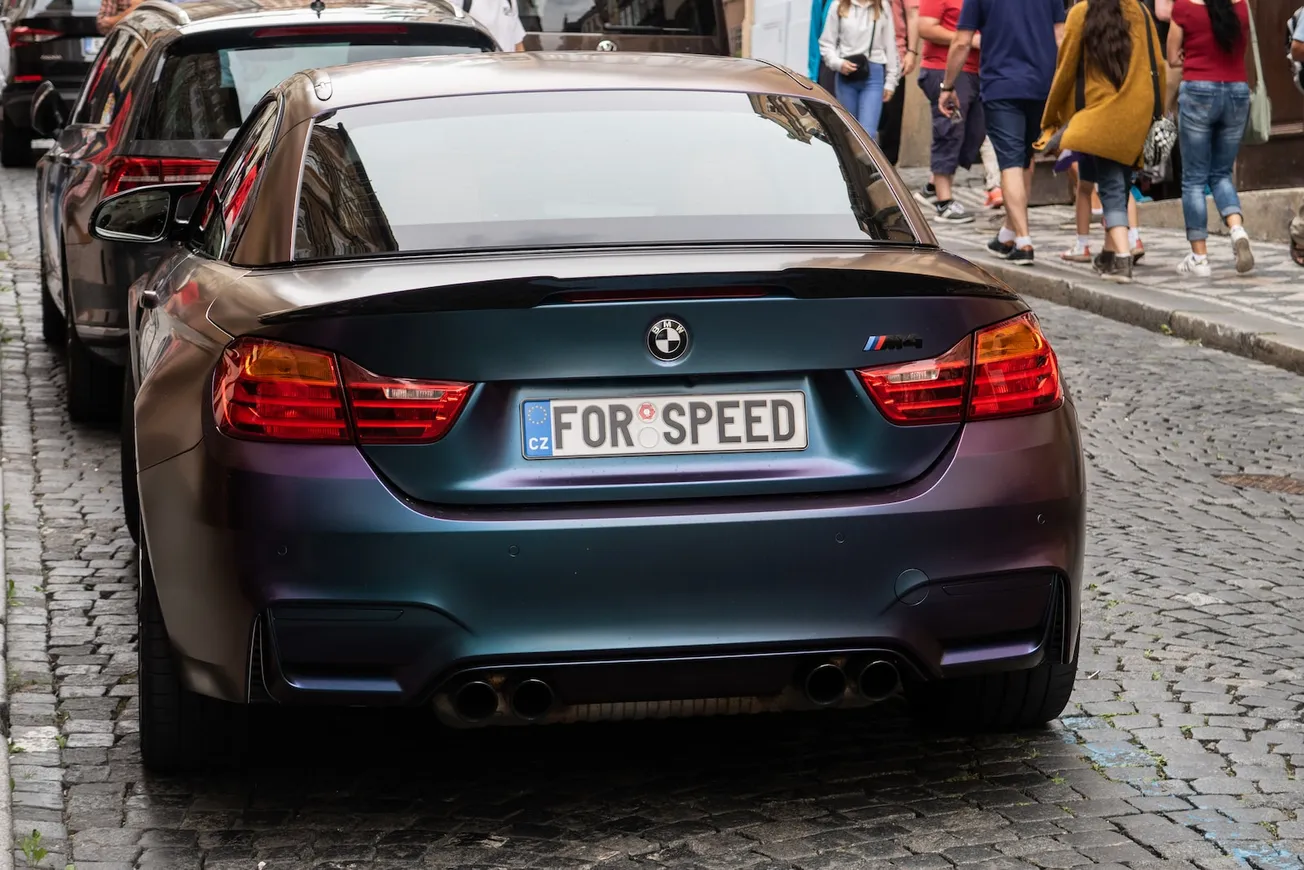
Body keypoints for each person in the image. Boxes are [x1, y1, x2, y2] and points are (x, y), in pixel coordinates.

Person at [1038, 0, 1163, 284]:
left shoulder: (1080, 14)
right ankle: (1108, 252)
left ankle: (1121, 257)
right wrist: (1158, 111)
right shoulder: (1141, 11)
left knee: (1110, 187)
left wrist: (1051, 120)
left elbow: (1065, 71)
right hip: (1137, 114)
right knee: (1122, 182)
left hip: (1099, 117)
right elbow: (1159, 66)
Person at [938, 0, 1066, 266]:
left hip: (1002, 85)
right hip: (1042, 85)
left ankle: (1024, 241)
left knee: (1009, 161)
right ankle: (1008, 234)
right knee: (1024, 157)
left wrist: (947, 85)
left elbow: (962, 42)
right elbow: (1061, 37)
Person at [1167, 0, 1254, 276]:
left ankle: (1199, 257)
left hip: (1199, 91)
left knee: (1193, 179)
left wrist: (1192, 55)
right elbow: (1242, 48)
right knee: (1221, 173)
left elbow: (1172, 57)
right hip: (1237, 92)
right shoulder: (1242, 5)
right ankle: (1237, 228)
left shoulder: (1184, 7)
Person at [916, 0, 984, 223]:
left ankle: (931, 186)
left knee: (973, 134)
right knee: (949, 132)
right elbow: (925, 28)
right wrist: (968, 39)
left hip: (977, 70)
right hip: (943, 70)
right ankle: (944, 202)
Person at [819, 0, 900, 140]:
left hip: (874, 73)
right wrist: (838, 63)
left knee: (868, 134)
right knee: (848, 132)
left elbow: (890, 45)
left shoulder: (882, 6)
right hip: (846, 73)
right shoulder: (839, 6)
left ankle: (867, 162)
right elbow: (826, 44)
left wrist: (891, 81)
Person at [877, 0, 921, 164]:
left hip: (895, 55)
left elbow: (913, 14)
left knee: (891, 117)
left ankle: (887, 169)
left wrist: (912, 51)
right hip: (860, 56)